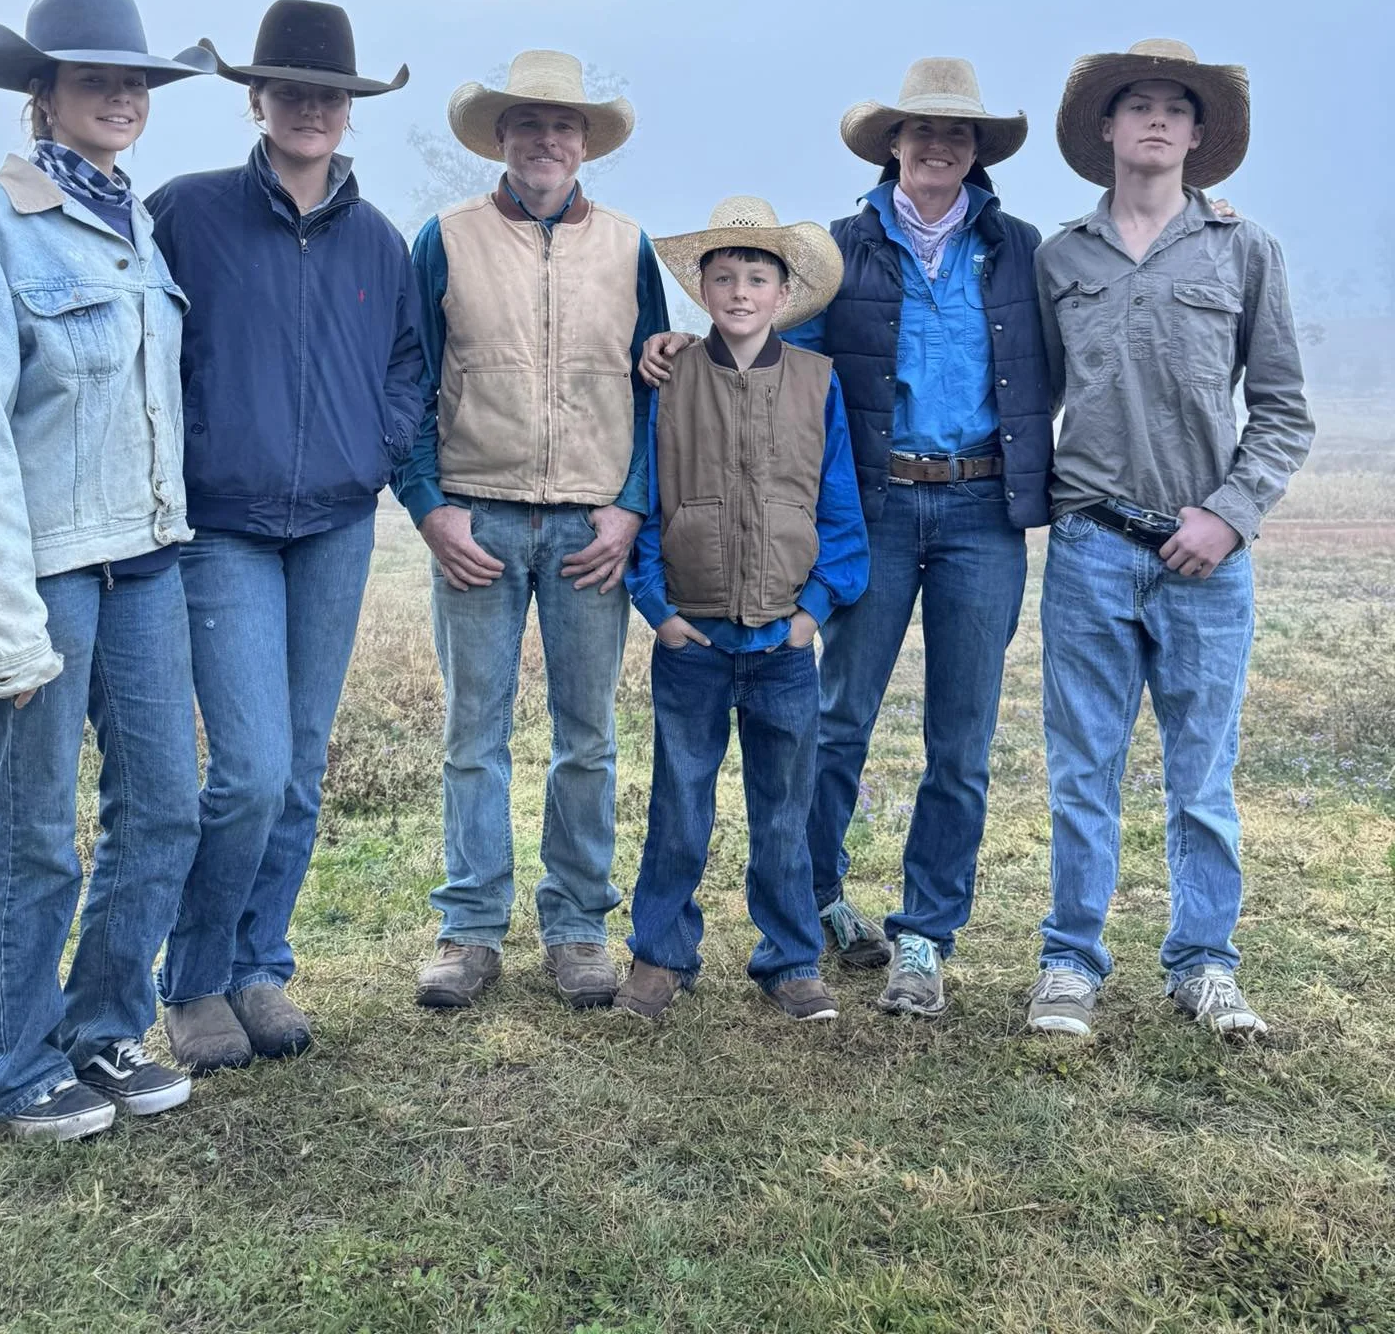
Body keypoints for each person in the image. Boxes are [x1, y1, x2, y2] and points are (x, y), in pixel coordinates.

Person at [643, 59, 1051, 1019]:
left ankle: (925, 938)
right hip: (876, 499)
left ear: (979, 149)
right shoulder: (842, 252)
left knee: (962, 739)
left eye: (958, 132)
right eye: (919, 131)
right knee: (837, 720)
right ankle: (816, 902)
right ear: (892, 145)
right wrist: (663, 347)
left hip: (983, 511)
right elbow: (767, 364)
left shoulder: (1022, 250)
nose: (938, 145)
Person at [0, 0, 213, 1140]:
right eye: (95, 78)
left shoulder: (132, 226)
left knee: (165, 808)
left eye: (133, 79)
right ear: (44, 94)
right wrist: (0, 623)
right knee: (34, 826)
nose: (122, 95)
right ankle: (16, 1061)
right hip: (45, 574)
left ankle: (103, 1029)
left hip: (147, 561)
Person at [149, 1, 425, 1075]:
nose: (313, 109)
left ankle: (262, 961)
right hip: (223, 526)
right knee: (251, 767)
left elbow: (408, 365)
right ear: (256, 101)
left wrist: (372, 446)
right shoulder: (188, 214)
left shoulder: (377, 240)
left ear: (350, 112)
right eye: (292, 90)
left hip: (335, 529)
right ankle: (196, 976)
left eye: (332, 96)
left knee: (303, 765)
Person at [1026, 40, 1314, 1041]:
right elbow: (1032, 395)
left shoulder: (1244, 250)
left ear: (1199, 134)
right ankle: (1069, 961)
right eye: (1136, 105)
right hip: (1091, 548)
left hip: (1206, 556)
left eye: (1175, 108)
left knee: (1202, 772)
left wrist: (1227, 514)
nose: (1155, 120)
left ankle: (1204, 963)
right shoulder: (1058, 257)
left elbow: (1281, 410)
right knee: (1081, 768)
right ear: (1105, 128)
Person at [396, 51, 667, 1011]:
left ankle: (580, 924)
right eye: (527, 125)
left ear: (585, 143)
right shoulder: (446, 238)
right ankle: (470, 927)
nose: (546, 141)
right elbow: (408, 381)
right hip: (479, 520)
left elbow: (656, 390)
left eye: (564, 126)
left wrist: (632, 506)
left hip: (593, 530)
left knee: (586, 734)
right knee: (475, 733)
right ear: (499, 138)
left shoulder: (633, 248)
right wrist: (430, 504)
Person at [614, 199, 868, 1023]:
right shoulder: (668, 374)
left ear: (783, 289)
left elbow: (838, 508)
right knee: (679, 803)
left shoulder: (817, 382)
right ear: (702, 289)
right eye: (723, 276)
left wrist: (816, 608)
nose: (740, 291)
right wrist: (656, 608)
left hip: (784, 641)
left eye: (757, 277)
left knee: (783, 808)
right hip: (692, 634)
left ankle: (790, 958)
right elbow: (644, 496)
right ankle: (660, 956)